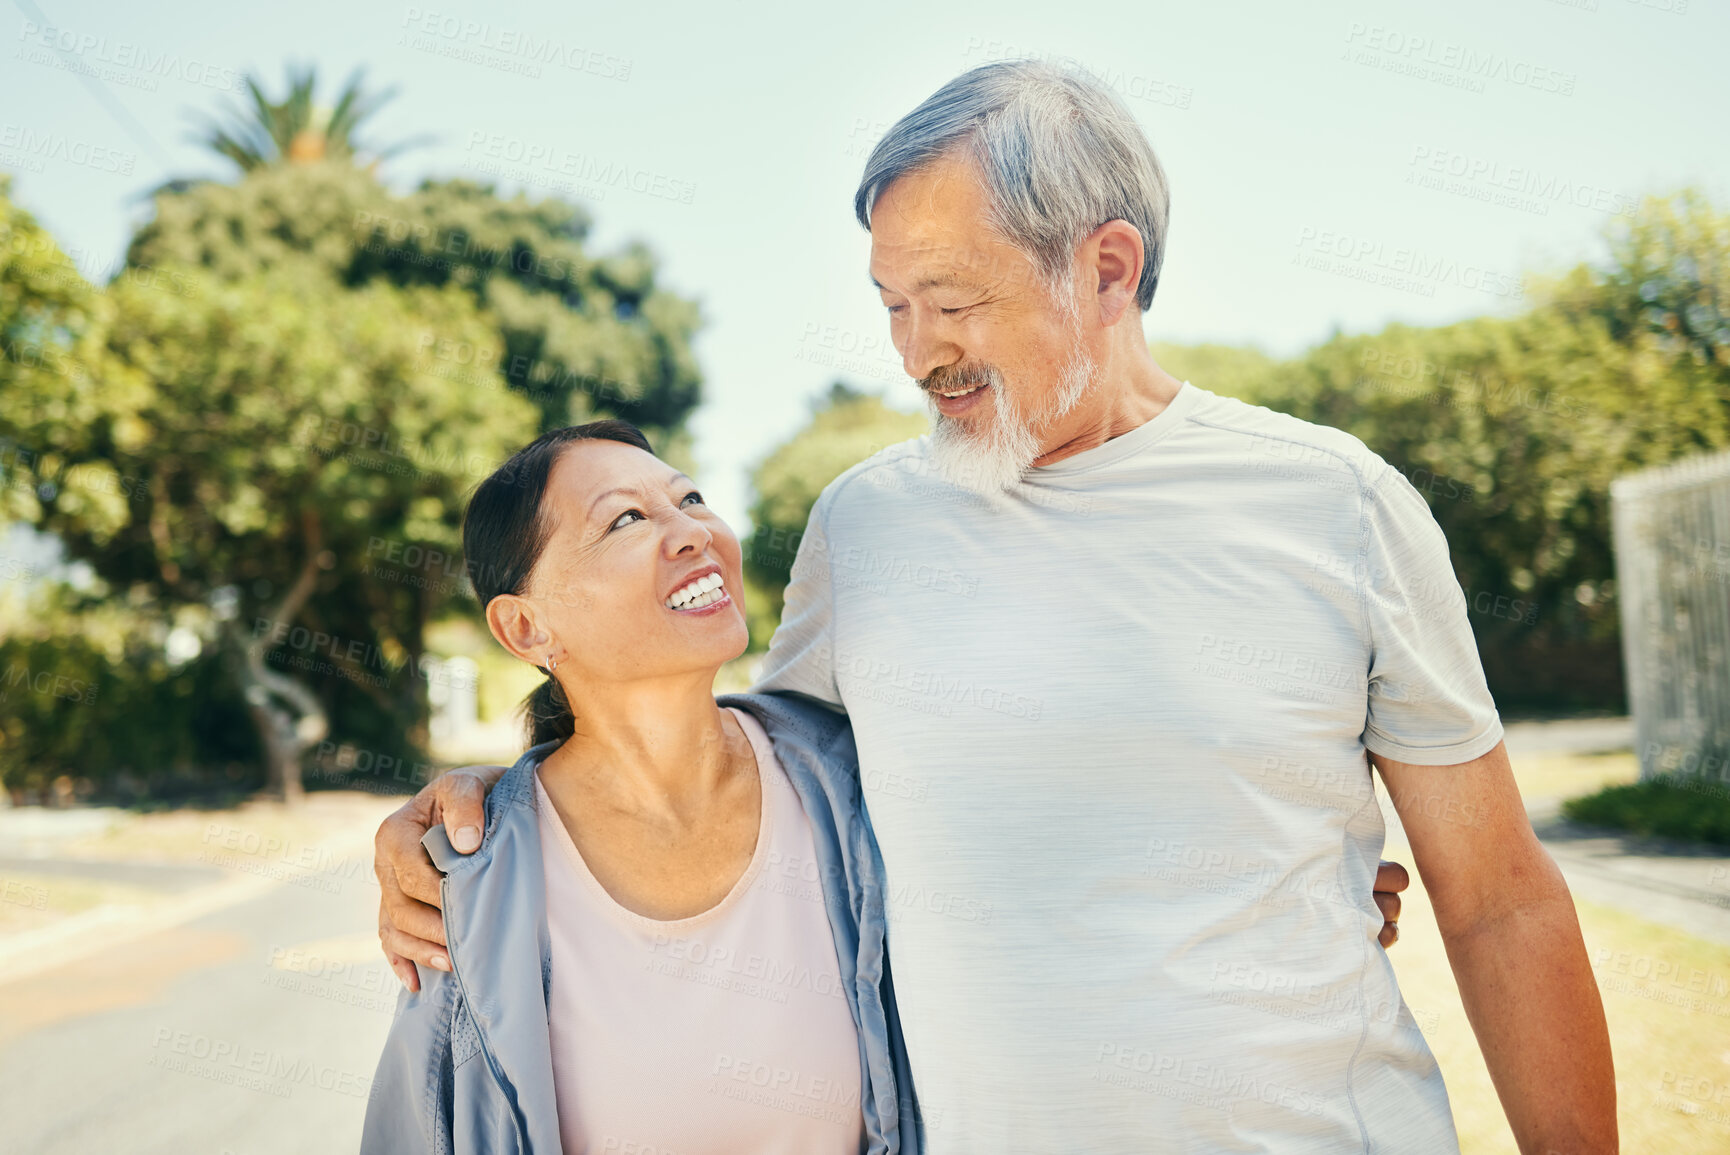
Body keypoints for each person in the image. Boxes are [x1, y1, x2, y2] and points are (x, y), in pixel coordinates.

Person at [376, 60, 1615, 1153]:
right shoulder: (862, 527)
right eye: (891, 305)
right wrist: (481, 813)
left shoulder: (1335, 503)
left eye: (953, 301)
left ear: (1107, 268)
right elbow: (729, 773)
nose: (917, 354)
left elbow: (1498, 896)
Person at [362, 420, 919, 1154]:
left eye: (690, 498)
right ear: (526, 627)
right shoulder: (475, 884)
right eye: (625, 518)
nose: (691, 531)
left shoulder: (851, 784)